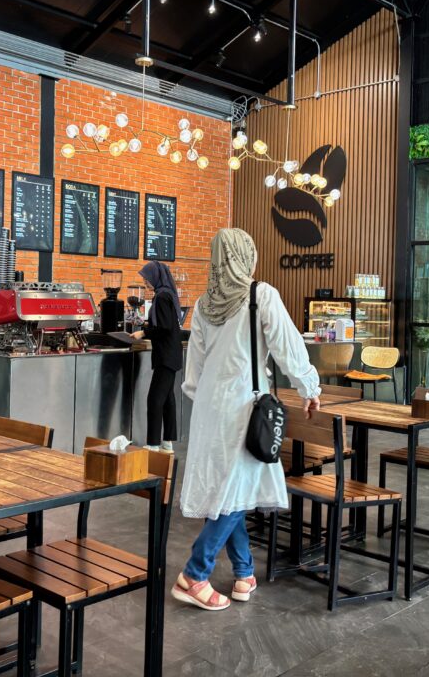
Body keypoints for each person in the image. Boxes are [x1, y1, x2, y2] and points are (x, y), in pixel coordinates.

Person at [172, 228, 321, 611]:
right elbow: (288, 347)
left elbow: (194, 374)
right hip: (244, 407)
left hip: (208, 408)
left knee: (230, 487)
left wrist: (208, 401)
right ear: (247, 256)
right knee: (235, 490)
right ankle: (194, 573)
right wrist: (309, 387)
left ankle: (244, 573)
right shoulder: (261, 295)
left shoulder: (205, 304)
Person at [131, 260, 183, 453]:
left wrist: (143, 333)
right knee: (167, 398)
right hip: (172, 355)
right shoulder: (167, 294)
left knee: (154, 399)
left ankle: (152, 444)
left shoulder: (161, 297)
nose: (145, 283)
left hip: (166, 356)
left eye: (147, 279)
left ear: (156, 277)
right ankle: (167, 442)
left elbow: (163, 327)